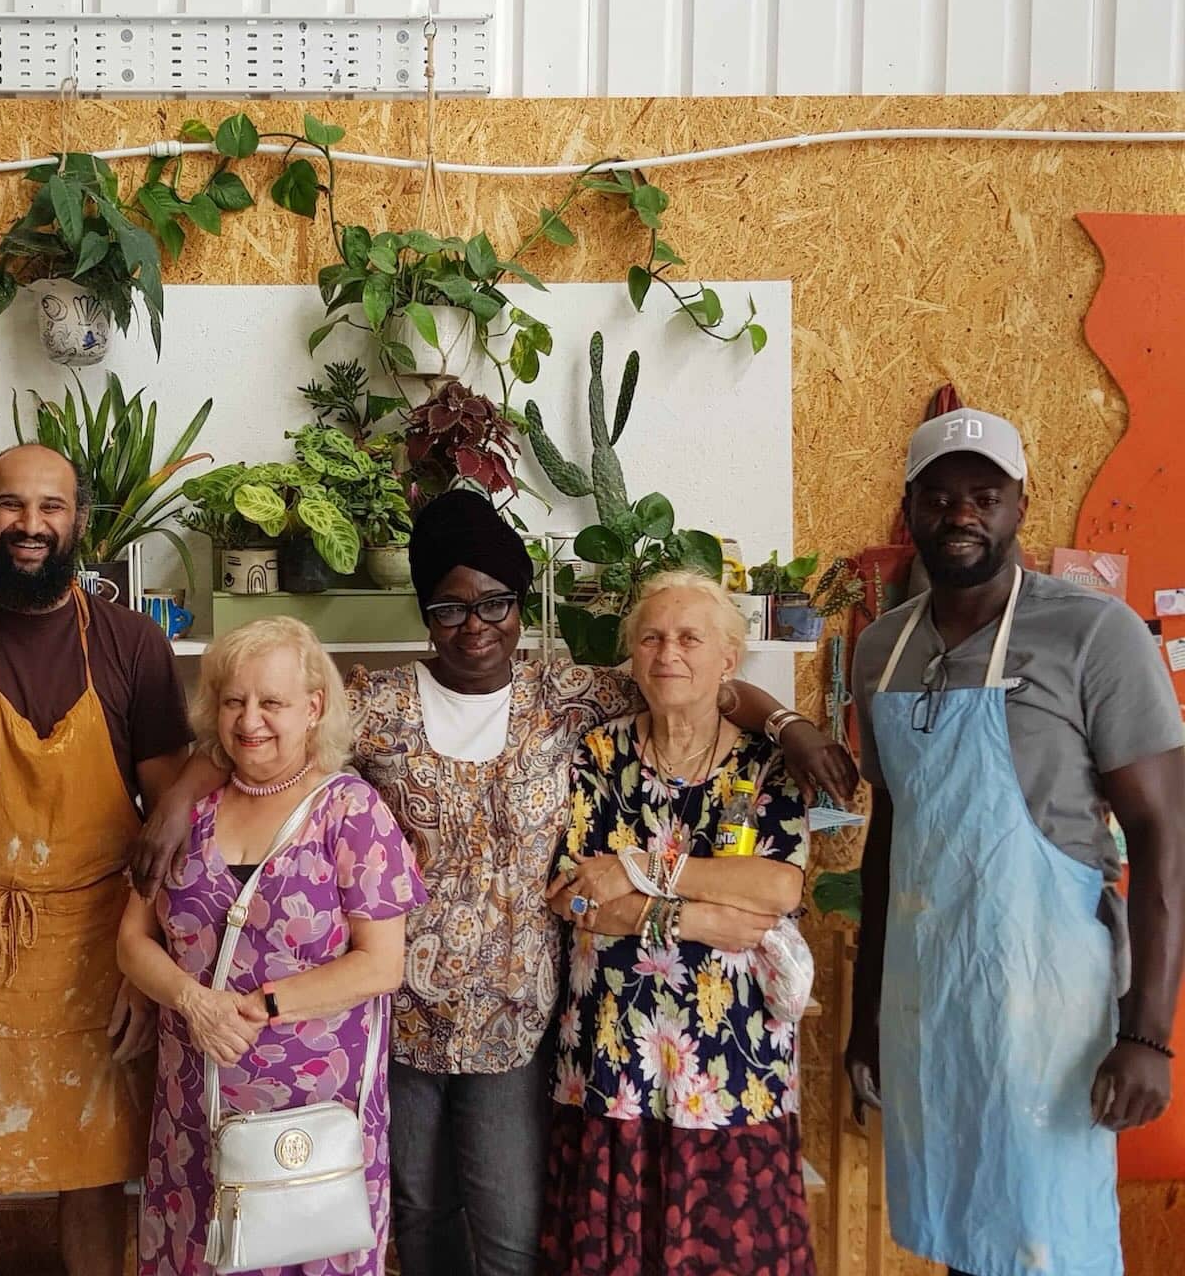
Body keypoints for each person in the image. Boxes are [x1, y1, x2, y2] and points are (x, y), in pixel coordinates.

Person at [131, 489, 856, 1276]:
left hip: (518, 1016)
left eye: (495, 604)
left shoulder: (566, 696)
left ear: (519, 606)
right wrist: (177, 799)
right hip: (397, 1015)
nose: (474, 627)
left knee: (511, 1230)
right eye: (449, 608)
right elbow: (264, 732)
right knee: (419, 1217)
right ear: (426, 615)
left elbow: (698, 684)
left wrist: (791, 724)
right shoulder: (381, 706)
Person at [846, 410, 1185, 1276]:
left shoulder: (1093, 635)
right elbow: (893, 831)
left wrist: (1147, 1032)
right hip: (933, 1004)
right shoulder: (882, 649)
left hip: (1052, 1013)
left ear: (1021, 504)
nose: (962, 513)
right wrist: (868, 1016)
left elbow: (1162, 830)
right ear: (911, 506)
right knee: (963, 1234)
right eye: (941, 495)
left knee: (1046, 1242)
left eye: (985, 495)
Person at [0, 444, 195, 1276]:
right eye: (12, 506)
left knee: (93, 1180)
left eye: (50, 508)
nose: (31, 525)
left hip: (100, 948)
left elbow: (172, 817)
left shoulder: (131, 644)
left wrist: (145, 961)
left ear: (78, 521)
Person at [116, 617, 426, 1275]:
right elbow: (131, 942)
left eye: (272, 702)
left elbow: (382, 964)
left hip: (310, 1133)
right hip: (193, 1119)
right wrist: (194, 1003)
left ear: (313, 708)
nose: (249, 719)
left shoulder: (351, 813)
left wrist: (259, 1005)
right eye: (233, 700)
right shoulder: (187, 816)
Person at [542, 571, 812, 1276]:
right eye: (652, 637)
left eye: (690, 637)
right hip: (614, 1054)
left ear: (729, 659)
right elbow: (574, 897)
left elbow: (778, 886)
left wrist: (639, 869)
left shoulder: (767, 767)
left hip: (734, 1058)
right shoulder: (597, 757)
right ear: (631, 655)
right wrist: (704, 917)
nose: (669, 653)